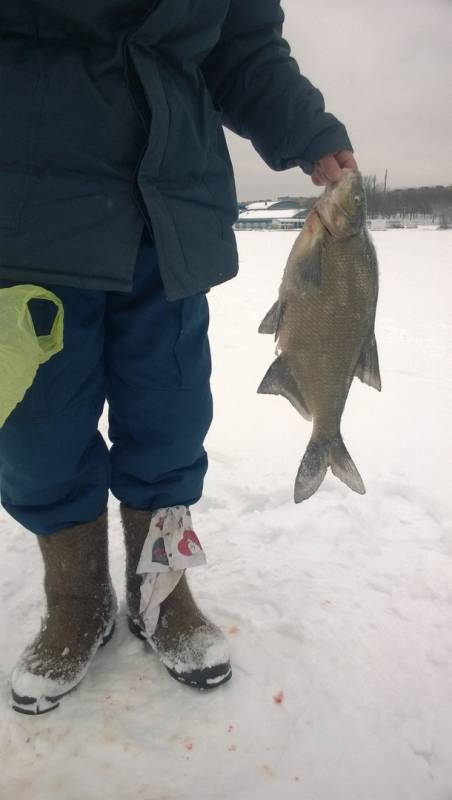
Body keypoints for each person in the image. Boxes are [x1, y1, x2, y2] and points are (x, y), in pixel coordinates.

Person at [0, 1, 357, 715]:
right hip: (26, 209)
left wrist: (306, 129)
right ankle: (76, 595)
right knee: (36, 435)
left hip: (168, 214)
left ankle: (159, 585)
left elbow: (244, 44)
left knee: (169, 416)